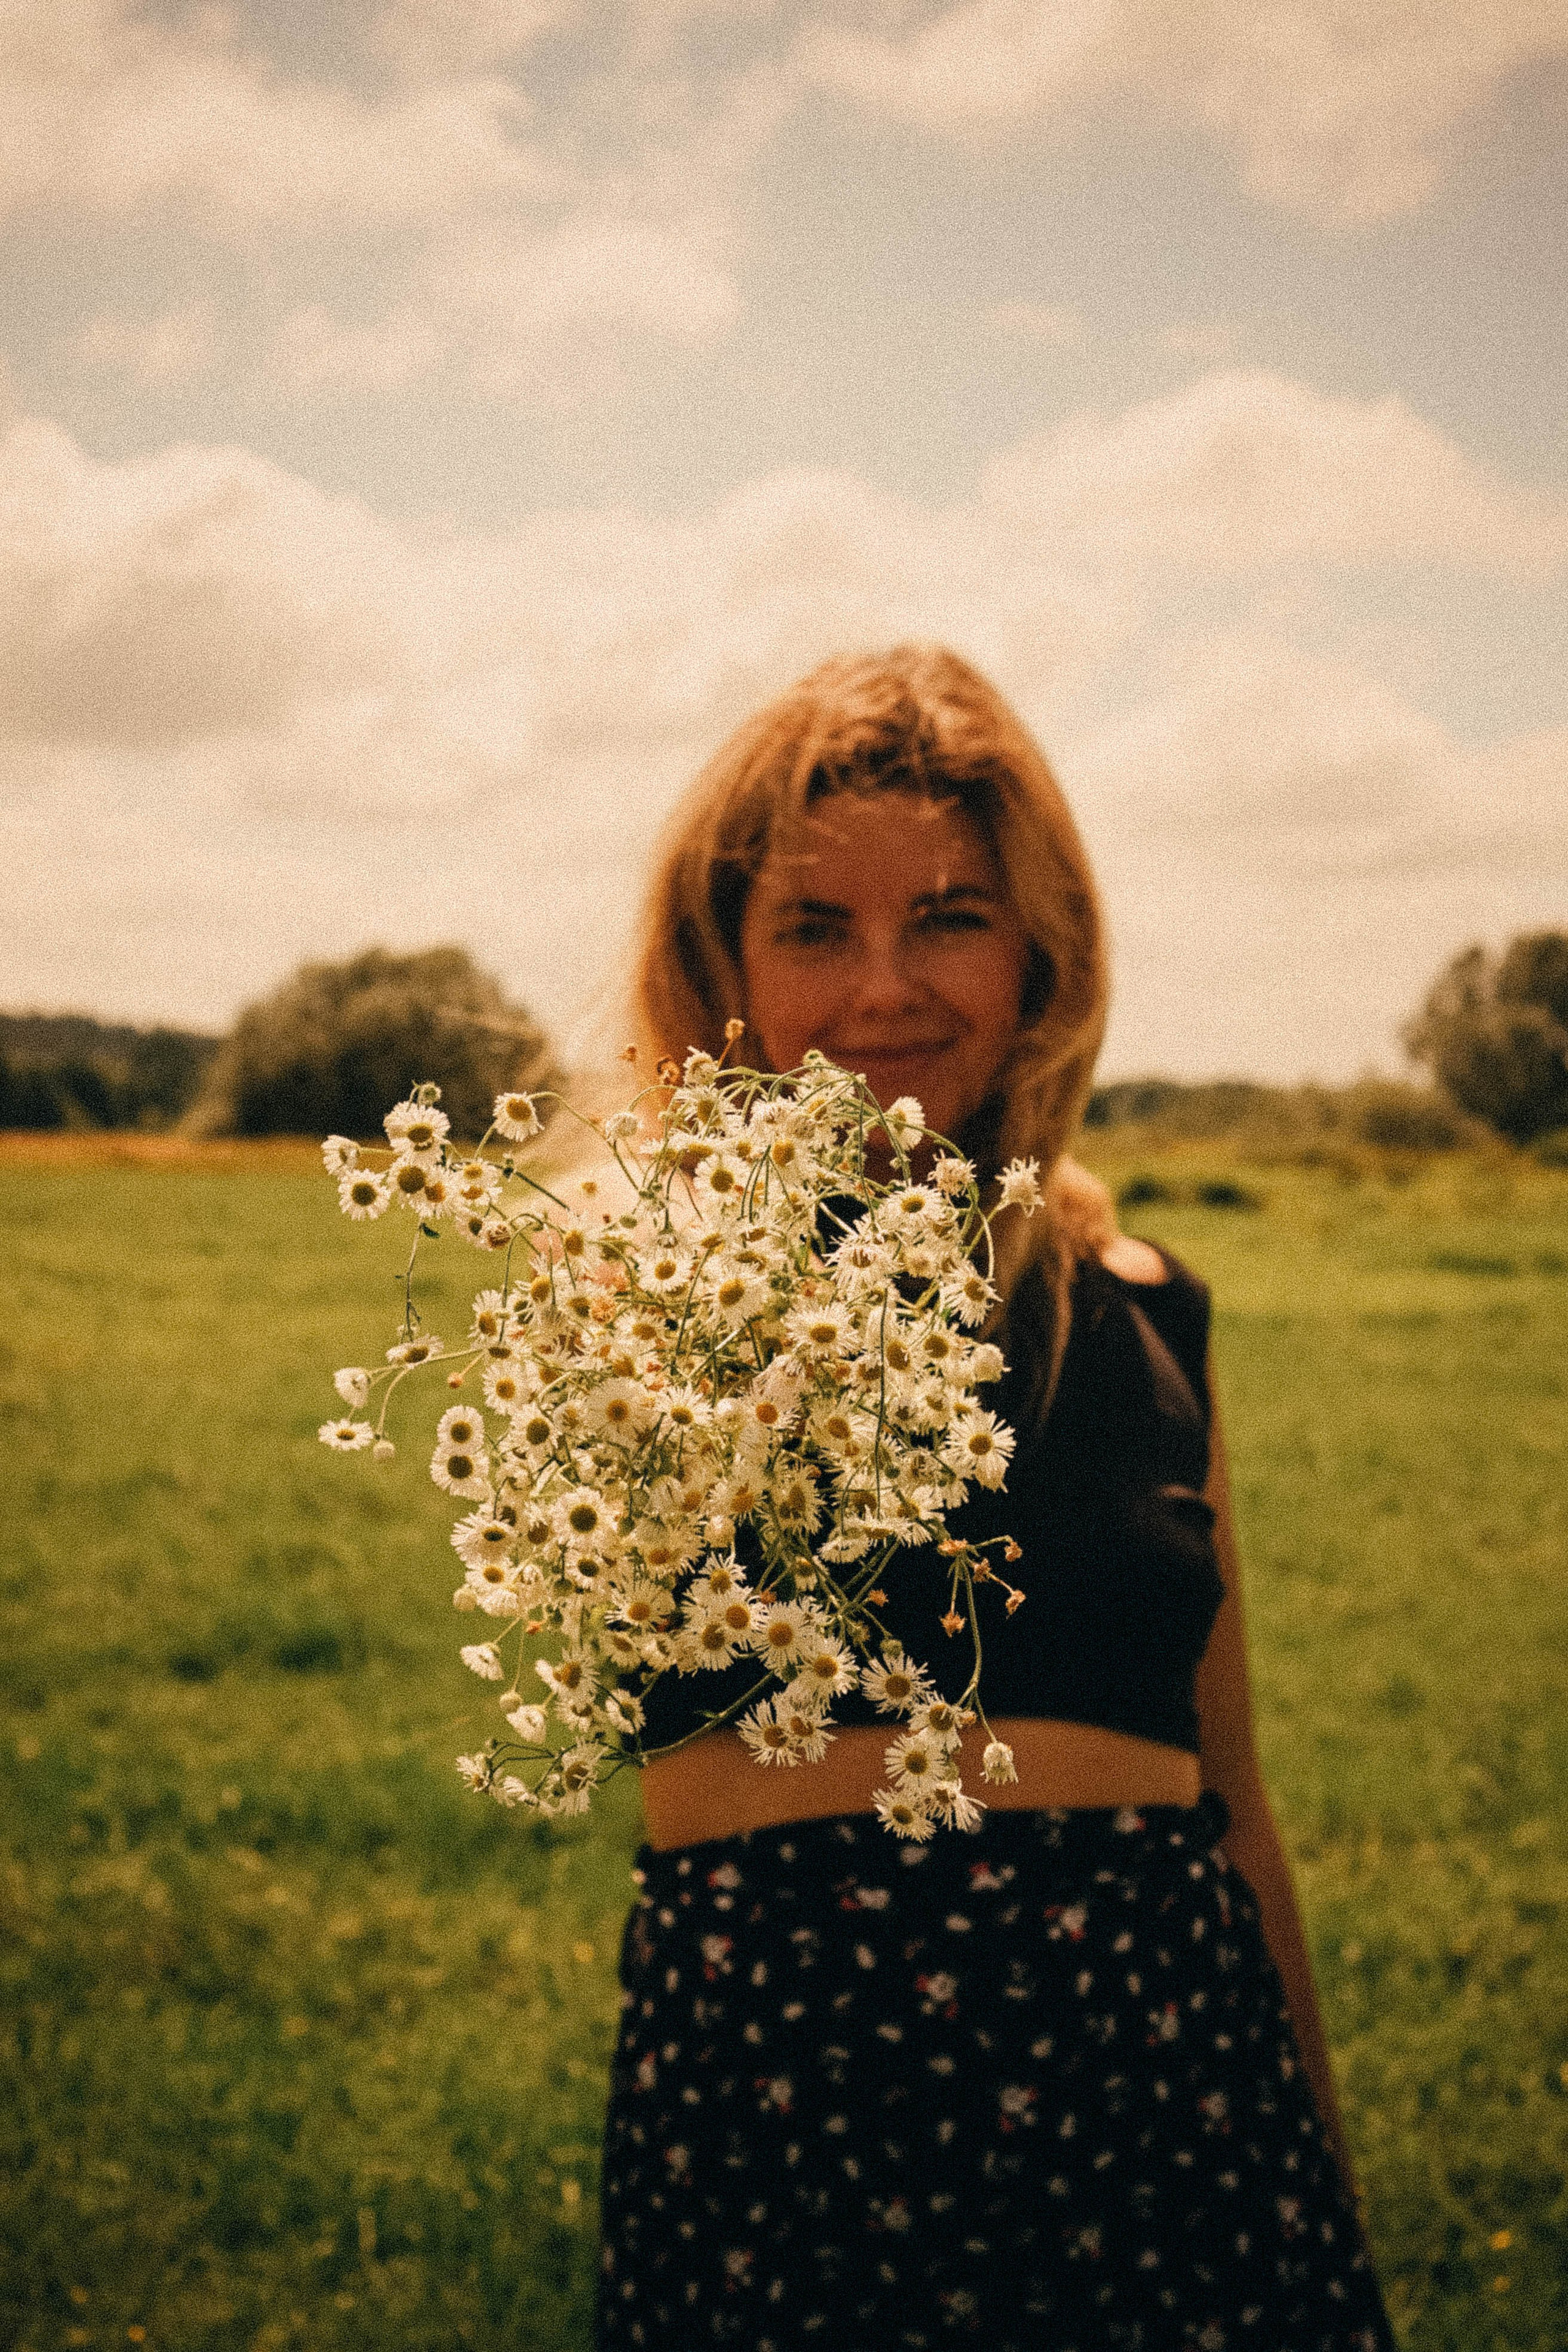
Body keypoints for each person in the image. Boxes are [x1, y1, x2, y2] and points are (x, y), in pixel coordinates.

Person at [595, 646, 1395, 2350]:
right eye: (815, 928)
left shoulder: (1141, 1301)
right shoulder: (640, 1303)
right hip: (784, 2135)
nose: (887, 986)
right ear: (725, 964)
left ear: (1041, 952)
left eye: (950, 916)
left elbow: (1234, 1804)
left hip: (1167, 2110)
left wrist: (1320, 2193)